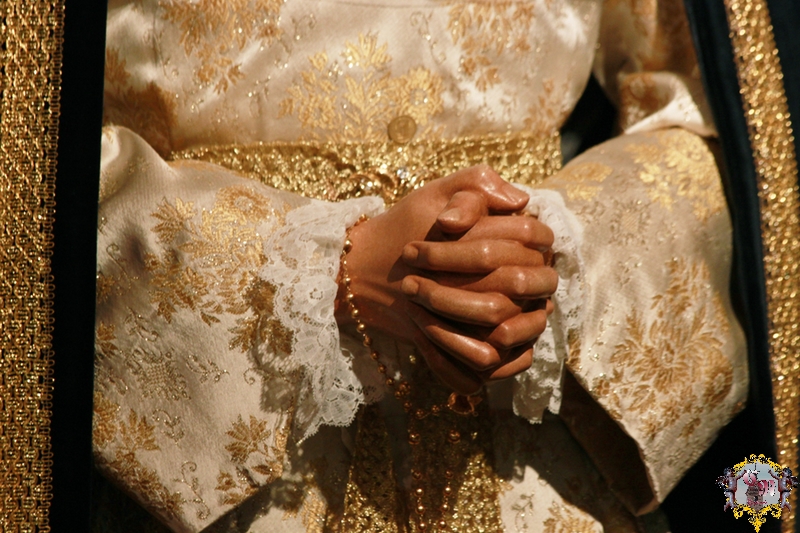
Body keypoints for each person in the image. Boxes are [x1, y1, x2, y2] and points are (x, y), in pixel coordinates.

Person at [92, 1, 748, 532]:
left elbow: (712, 110)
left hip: (539, 458)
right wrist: (320, 266)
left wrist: (543, 250)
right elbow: (40, 140)